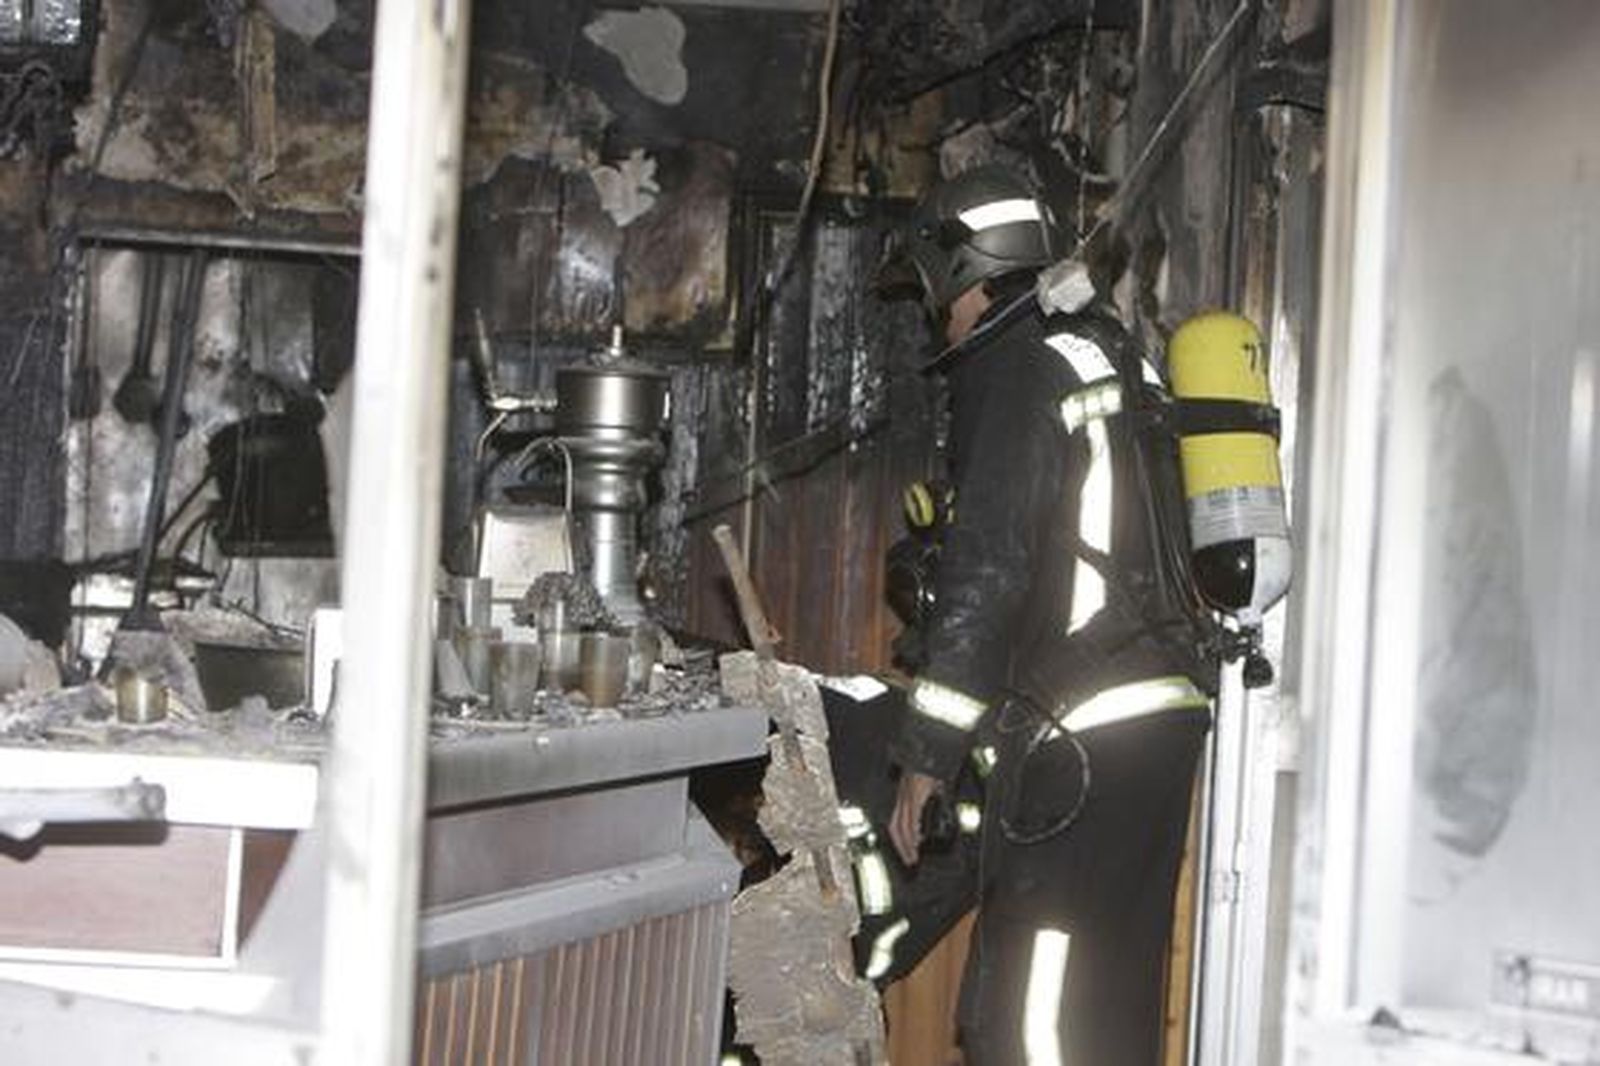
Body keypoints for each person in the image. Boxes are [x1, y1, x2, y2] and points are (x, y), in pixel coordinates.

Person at [860, 163, 1218, 1065]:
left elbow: (990, 567)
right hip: (1159, 718)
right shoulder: (1112, 351)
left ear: (967, 271)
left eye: (935, 296)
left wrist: (926, 756)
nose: (937, 320)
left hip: (1082, 727)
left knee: (1031, 1018)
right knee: (1106, 1006)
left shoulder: (1016, 367)